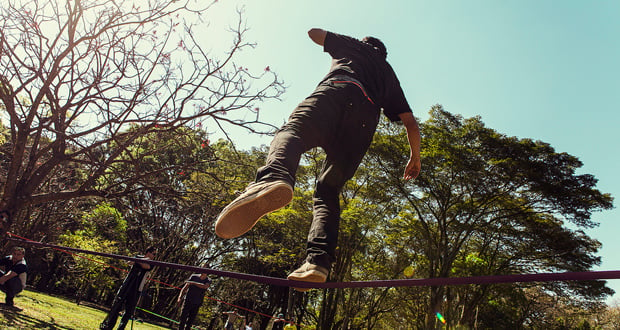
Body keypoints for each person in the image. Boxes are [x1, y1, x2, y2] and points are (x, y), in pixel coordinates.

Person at [215, 28, 421, 290]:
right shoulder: (389, 73)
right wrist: (415, 157)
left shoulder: (353, 47)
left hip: (336, 94)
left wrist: (346, 43)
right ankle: (317, 263)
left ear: (364, 43)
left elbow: (314, 33)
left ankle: (275, 177)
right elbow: (410, 123)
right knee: (328, 191)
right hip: (363, 123)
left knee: (292, 133)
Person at [100, 247, 156, 330]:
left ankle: (121, 328)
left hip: (137, 289)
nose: (154, 256)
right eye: (153, 254)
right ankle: (109, 326)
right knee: (117, 306)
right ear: (148, 252)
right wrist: (139, 259)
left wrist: (138, 260)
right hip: (127, 285)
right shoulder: (138, 257)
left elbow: (146, 267)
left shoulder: (152, 263)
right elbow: (129, 262)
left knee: (128, 311)